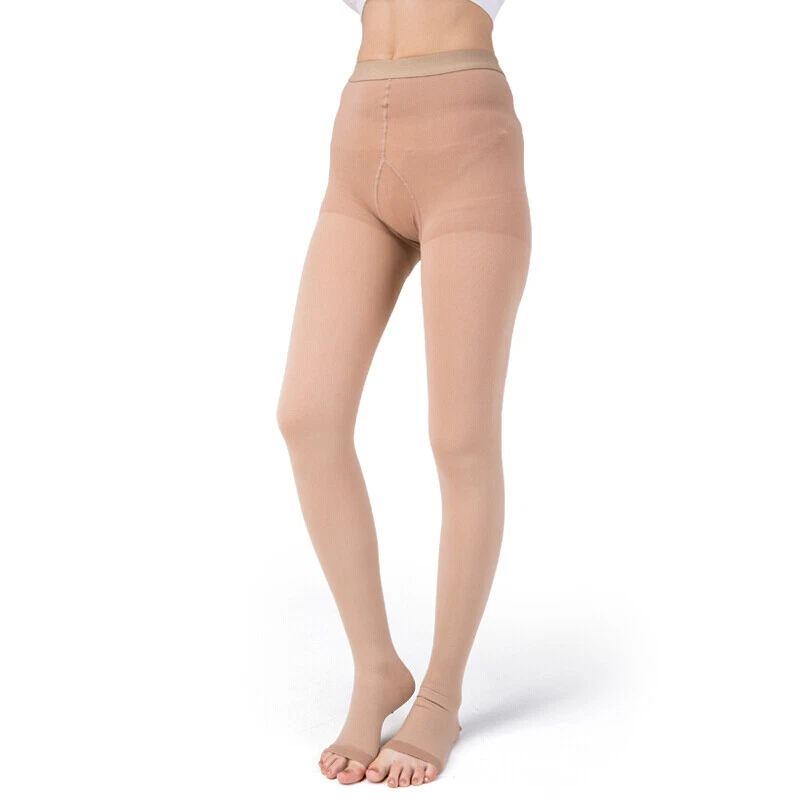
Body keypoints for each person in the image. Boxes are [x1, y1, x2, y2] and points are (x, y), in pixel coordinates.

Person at [277, 0, 530, 788]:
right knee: (307, 417)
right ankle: (376, 666)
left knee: (461, 438)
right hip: (358, 143)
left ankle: (441, 697)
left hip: (468, 146)